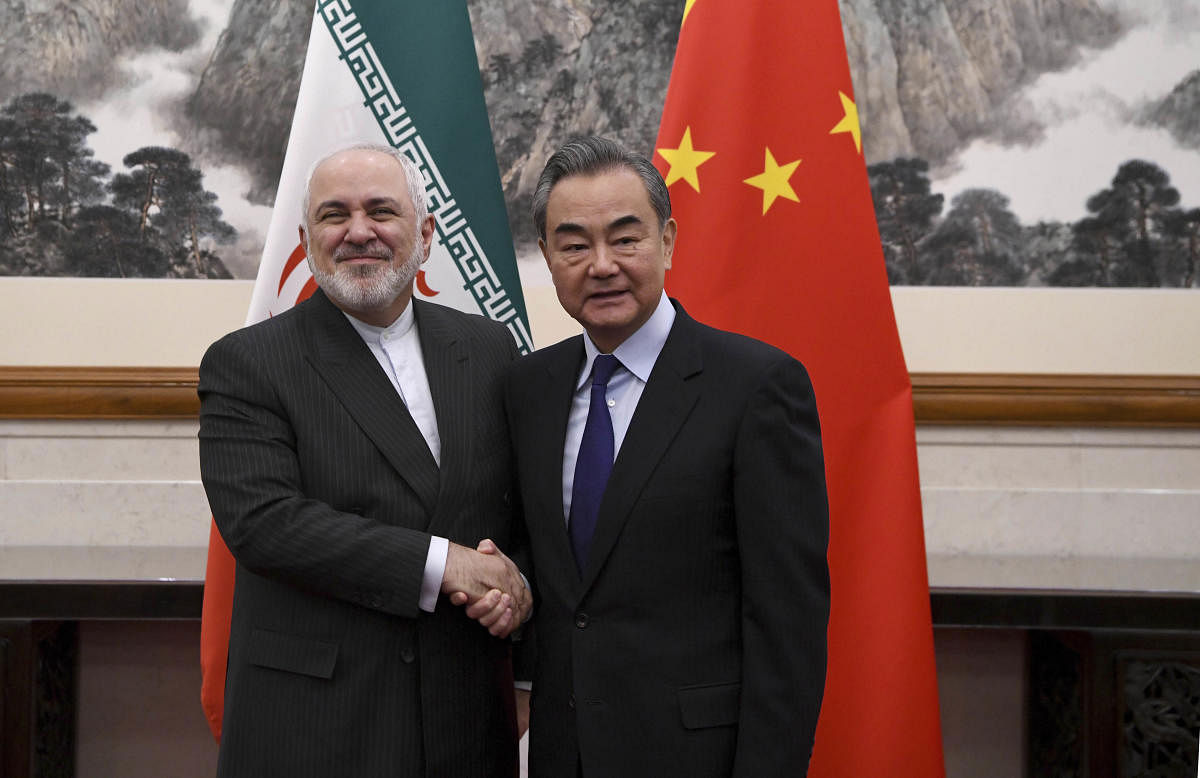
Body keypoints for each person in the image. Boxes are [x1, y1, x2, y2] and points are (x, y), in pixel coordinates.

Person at [198, 143, 529, 777]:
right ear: (306, 237)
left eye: (382, 210)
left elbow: (521, 508)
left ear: (425, 235)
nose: (358, 232)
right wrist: (444, 563)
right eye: (333, 215)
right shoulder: (247, 363)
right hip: (319, 726)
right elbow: (265, 524)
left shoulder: (488, 350)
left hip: (465, 719)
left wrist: (516, 598)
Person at [505, 136, 830, 777]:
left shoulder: (756, 387)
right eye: (574, 245)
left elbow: (786, 623)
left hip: (694, 758)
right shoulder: (527, 390)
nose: (601, 265)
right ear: (547, 257)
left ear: (668, 241)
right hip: (560, 756)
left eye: (625, 238)